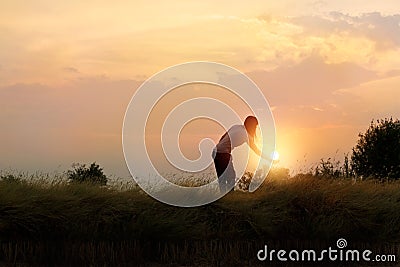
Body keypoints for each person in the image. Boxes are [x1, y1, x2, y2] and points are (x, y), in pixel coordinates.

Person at [212, 116, 263, 193]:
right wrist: (270, 158)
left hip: (215, 152)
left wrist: (220, 148)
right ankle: (230, 196)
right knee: (231, 177)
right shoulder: (246, 135)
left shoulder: (236, 127)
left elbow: (223, 137)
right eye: (255, 126)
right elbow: (256, 150)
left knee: (222, 178)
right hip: (223, 154)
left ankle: (224, 197)